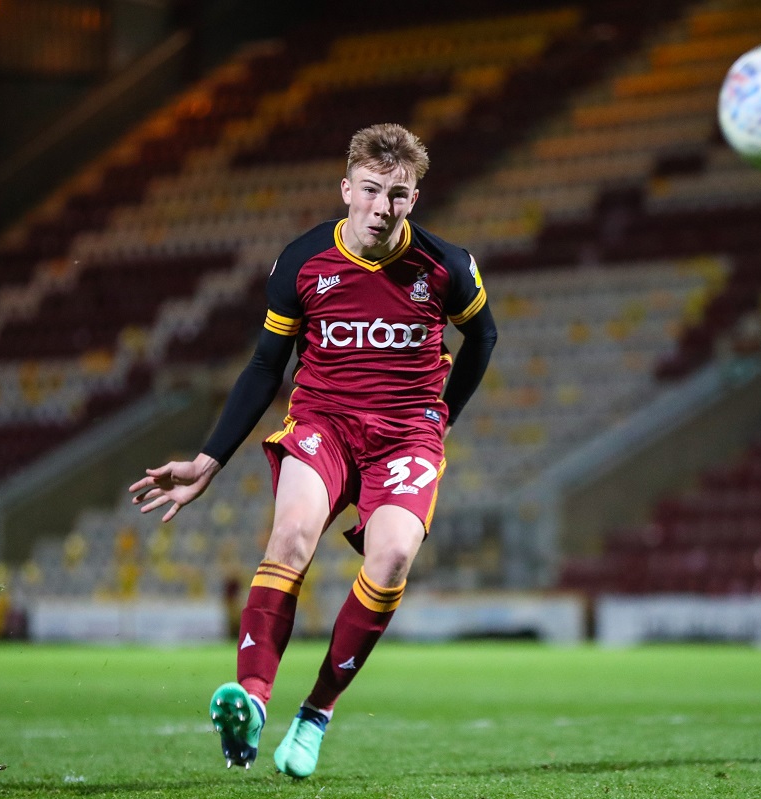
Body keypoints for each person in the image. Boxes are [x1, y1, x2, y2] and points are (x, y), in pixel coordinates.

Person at [129, 123, 497, 778]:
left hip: (405, 435)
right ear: (347, 188)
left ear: (416, 197)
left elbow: (484, 338)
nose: (385, 207)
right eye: (374, 191)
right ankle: (252, 699)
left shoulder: (446, 266)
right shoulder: (303, 262)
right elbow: (266, 364)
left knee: (390, 558)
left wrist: (441, 421)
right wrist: (208, 461)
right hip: (323, 423)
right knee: (291, 536)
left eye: (401, 195)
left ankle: (316, 711)